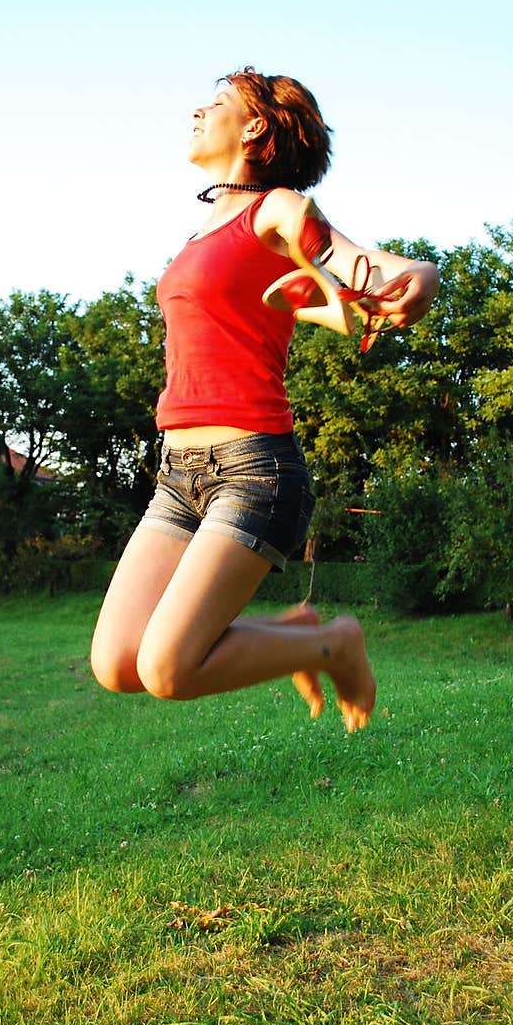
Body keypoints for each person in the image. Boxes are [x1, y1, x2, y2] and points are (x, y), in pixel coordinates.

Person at [90, 66, 439, 732]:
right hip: (177, 474)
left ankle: (332, 642)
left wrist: (418, 278)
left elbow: (361, 263)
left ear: (254, 128)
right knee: (117, 660)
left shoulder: (275, 209)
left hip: (253, 469)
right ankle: (298, 632)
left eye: (217, 101)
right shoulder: (200, 235)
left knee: (167, 668)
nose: (198, 109)